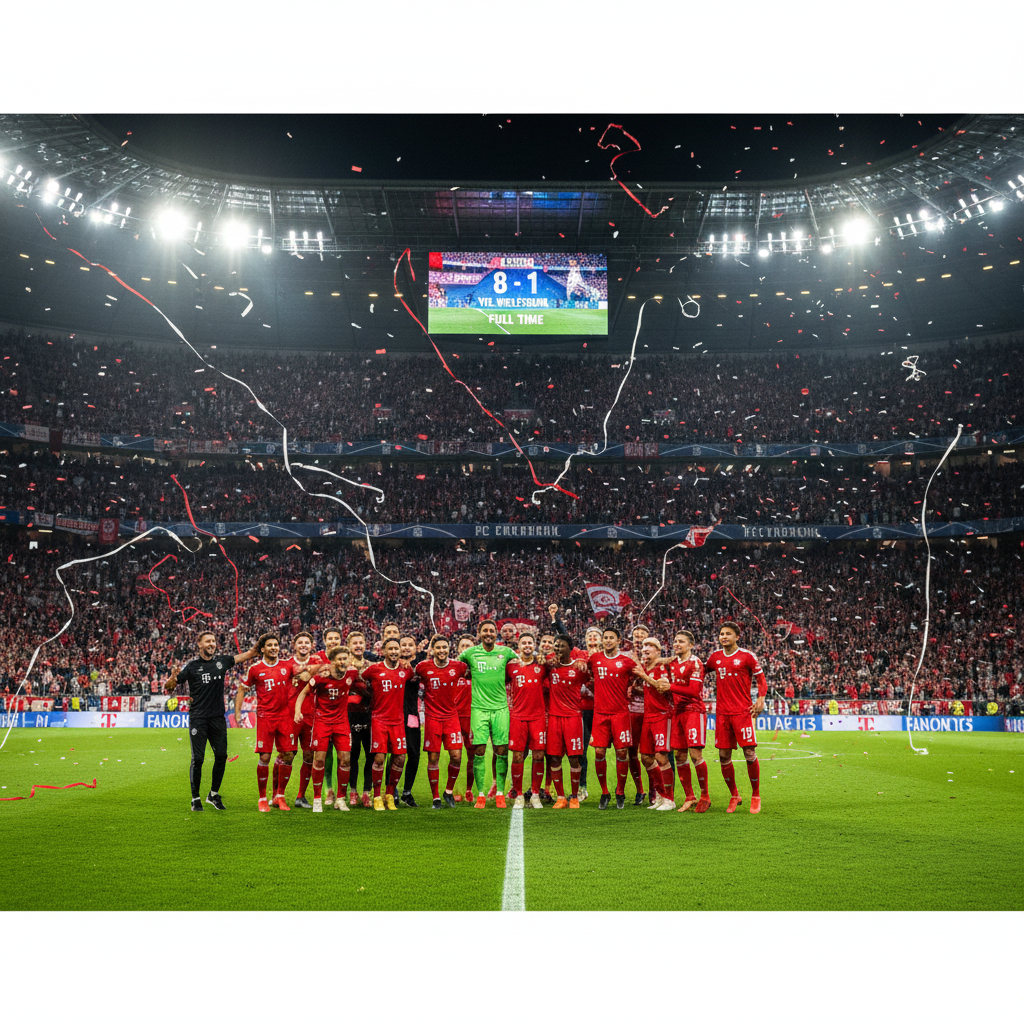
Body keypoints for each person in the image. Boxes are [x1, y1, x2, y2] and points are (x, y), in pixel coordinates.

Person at [165, 630, 265, 811]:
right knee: (198, 759)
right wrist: (172, 678)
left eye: (213, 641)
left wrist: (262, 641)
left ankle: (213, 794)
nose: (211, 644)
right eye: (208, 641)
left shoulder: (222, 662)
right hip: (198, 718)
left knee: (221, 756)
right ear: (200, 644)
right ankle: (195, 798)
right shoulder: (192, 667)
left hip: (217, 718)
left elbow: (249, 654)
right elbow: (169, 687)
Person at [588, 626, 658, 810]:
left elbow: (642, 675)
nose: (608, 640)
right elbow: (588, 675)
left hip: (620, 714)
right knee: (599, 753)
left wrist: (645, 685)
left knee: (622, 753)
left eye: (611, 638)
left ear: (618, 641)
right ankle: (604, 792)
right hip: (600, 714)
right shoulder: (594, 659)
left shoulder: (627, 662)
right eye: (605, 637)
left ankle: (620, 792)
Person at [705, 621, 766, 814]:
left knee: (749, 753)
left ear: (737, 636)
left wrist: (761, 698)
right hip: (722, 714)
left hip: (743, 712)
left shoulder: (747, 656)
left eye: (728, 634)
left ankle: (756, 795)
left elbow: (761, 679)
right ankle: (734, 795)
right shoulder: (715, 657)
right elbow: (700, 671)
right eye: (721, 634)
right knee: (724, 756)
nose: (724, 637)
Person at [293, 646, 363, 812]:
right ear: (332, 661)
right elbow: (303, 693)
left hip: (341, 723)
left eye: (345, 658)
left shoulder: (351, 674)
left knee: (345, 759)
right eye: (339, 659)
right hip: (322, 722)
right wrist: (297, 711)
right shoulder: (320, 678)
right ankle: (317, 798)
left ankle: (340, 799)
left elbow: (363, 678)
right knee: (319, 759)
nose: (342, 662)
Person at [233, 634, 297, 812]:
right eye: (270, 645)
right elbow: (242, 689)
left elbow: (303, 675)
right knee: (265, 757)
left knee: (288, 755)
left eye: (276, 645)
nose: (274, 648)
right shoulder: (255, 669)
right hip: (265, 717)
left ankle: (279, 796)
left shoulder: (287, 666)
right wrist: (237, 714)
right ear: (262, 649)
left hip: (284, 716)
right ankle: (262, 798)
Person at [459, 619, 518, 809]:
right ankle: (481, 794)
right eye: (485, 630)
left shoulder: (506, 652)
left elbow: (521, 664)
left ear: (496, 633)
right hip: (479, 709)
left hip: (500, 709)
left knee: (501, 750)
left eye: (492, 631)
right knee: (479, 750)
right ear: (479, 633)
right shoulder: (470, 653)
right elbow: (455, 667)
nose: (488, 633)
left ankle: (500, 792)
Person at [415, 634, 469, 809]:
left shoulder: (459, 667)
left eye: (444, 647)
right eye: (438, 647)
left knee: (456, 756)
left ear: (449, 648)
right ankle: (436, 798)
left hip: (452, 717)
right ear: (432, 650)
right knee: (433, 758)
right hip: (432, 718)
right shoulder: (422, 667)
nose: (441, 650)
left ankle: (448, 791)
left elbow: (472, 673)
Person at [358, 638, 412, 811]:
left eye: (396, 648)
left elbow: (414, 676)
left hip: (398, 721)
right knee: (379, 758)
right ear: (383, 651)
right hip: (379, 719)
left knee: (400, 758)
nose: (394, 652)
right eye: (391, 649)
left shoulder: (406, 670)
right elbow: (360, 680)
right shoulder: (374, 670)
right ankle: (376, 796)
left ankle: (389, 794)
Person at [505, 632, 549, 810]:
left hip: (538, 718)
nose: (527, 645)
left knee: (539, 756)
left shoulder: (542, 665)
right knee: (517, 756)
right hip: (518, 717)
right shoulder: (511, 666)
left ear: (534, 645)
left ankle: (536, 794)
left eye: (530, 642)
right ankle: (518, 794)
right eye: (524, 643)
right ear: (519, 646)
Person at [668, 630, 710, 813]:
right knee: (679, 755)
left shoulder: (696, 663)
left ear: (691, 645)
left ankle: (705, 796)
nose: (677, 644)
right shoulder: (672, 663)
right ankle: (689, 797)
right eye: (675, 641)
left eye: (681, 641)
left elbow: (693, 691)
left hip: (694, 710)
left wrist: (670, 687)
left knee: (695, 754)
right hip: (677, 712)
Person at [545, 635, 589, 809]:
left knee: (574, 758)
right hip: (554, 717)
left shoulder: (579, 668)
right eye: (556, 645)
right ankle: (561, 797)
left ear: (570, 648)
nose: (558, 648)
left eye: (562, 646)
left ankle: (574, 796)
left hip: (573, 718)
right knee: (555, 757)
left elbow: (592, 679)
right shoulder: (550, 667)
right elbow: (539, 658)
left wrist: (582, 661)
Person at [636, 638, 676, 810]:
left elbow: (662, 688)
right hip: (648, 717)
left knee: (661, 757)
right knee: (646, 757)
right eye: (644, 646)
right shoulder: (644, 667)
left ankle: (670, 799)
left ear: (658, 651)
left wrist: (643, 676)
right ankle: (660, 794)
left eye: (650, 646)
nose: (646, 648)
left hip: (662, 716)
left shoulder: (662, 667)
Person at [285, 630, 317, 809]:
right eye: (300, 642)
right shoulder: (286, 665)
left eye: (307, 642)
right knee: (287, 755)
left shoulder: (318, 663)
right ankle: (278, 795)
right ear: (294, 645)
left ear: (312, 646)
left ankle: (301, 796)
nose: (303, 645)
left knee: (309, 755)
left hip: (311, 715)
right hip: (290, 716)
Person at [397, 633, 423, 808]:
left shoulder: (420, 666)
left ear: (415, 648)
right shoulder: (392, 665)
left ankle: (407, 791)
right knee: (395, 754)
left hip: (412, 714)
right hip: (394, 714)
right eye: (403, 645)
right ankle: (391, 789)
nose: (406, 647)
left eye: (410, 645)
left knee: (413, 753)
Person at [577, 626, 602, 801]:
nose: (592, 638)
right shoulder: (580, 655)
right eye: (589, 635)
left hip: (604, 710)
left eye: (595, 635)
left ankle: (615, 791)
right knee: (581, 751)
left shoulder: (606, 657)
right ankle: (582, 787)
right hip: (584, 709)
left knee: (611, 752)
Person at [626, 624, 649, 804]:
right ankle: (640, 790)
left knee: (651, 753)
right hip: (632, 710)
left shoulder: (655, 659)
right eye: (636, 635)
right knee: (631, 751)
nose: (638, 637)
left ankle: (656, 790)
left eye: (642, 634)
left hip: (651, 710)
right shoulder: (626, 658)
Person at [453, 634, 475, 801]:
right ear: (458, 649)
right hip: (454, 718)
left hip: (473, 718)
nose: (466, 648)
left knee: (472, 756)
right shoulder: (452, 669)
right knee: (455, 756)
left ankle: (468, 790)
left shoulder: (479, 670)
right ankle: (454, 790)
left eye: (469, 646)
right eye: (463, 646)